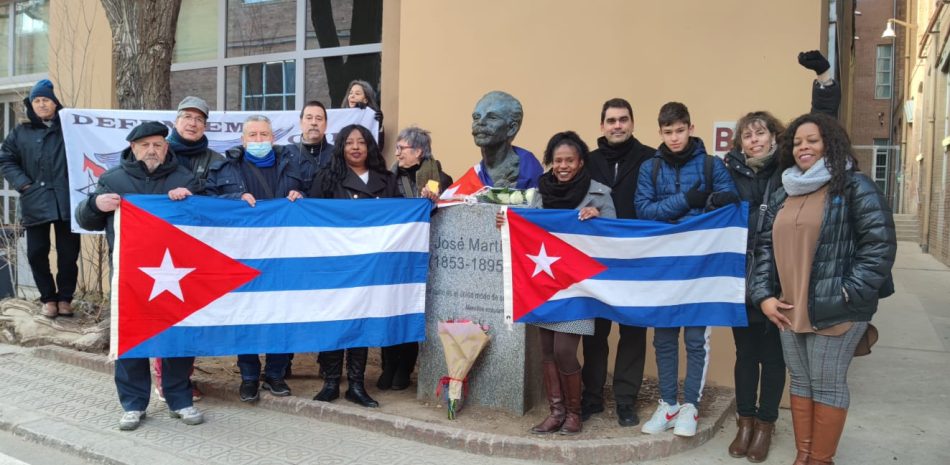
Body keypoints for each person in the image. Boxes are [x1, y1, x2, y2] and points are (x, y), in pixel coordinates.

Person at [749, 113, 896, 465]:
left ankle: (820, 460)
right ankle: (804, 455)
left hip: (838, 308)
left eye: (812, 140)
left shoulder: (855, 186)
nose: (804, 147)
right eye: (798, 142)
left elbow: (879, 246)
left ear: (830, 143)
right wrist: (764, 296)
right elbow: (766, 247)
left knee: (827, 383)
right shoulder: (786, 190)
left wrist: (848, 294)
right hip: (789, 306)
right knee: (800, 382)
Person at [722, 50, 841, 463]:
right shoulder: (728, 172)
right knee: (745, 355)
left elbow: (819, 124)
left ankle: (766, 425)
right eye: (747, 135)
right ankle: (745, 421)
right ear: (740, 143)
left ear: (775, 136)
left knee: (773, 358)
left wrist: (824, 80)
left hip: (780, 279)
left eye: (761, 133)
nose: (754, 140)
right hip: (741, 278)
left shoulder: (787, 170)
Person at [75, 121, 202, 431]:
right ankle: (133, 404)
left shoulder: (185, 178)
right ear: (133, 148)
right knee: (131, 337)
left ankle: (179, 399)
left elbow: (204, 220)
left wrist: (191, 198)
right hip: (130, 277)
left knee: (176, 336)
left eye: (158, 144)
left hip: (177, 275)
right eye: (145, 145)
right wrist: (95, 204)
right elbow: (85, 218)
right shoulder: (113, 179)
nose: (152, 150)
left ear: (167, 147)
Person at [497, 131, 615, 435]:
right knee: (546, 349)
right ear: (551, 162)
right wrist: (509, 222)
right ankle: (556, 411)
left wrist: (599, 216)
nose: (563, 166)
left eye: (570, 160)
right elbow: (527, 229)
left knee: (565, 350)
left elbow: (613, 235)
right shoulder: (540, 191)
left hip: (578, 286)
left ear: (580, 162)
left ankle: (574, 413)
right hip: (545, 285)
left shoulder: (599, 193)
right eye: (558, 160)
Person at [635, 102, 738, 437]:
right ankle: (668, 404)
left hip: (701, 265)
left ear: (690, 128)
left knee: (696, 338)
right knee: (664, 337)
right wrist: (686, 201)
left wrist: (707, 201)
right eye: (668, 132)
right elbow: (644, 211)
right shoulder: (649, 168)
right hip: (665, 265)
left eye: (680, 130)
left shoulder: (711, 165)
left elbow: (729, 200)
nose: (675, 137)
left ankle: (690, 405)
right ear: (660, 133)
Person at [204, 115, 305, 403]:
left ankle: (275, 373)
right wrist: (233, 201)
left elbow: (314, 194)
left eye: (264, 134)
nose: (259, 140)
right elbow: (208, 201)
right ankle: (249, 376)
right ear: (243, 139)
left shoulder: (293, 163)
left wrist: (302, 194)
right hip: (243, 254)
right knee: (246, 313)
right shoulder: (226, 167)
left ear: (273, 138)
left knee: (281, 312)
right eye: (253, 135)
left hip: (284, 253)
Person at [308, 124, 400, 408]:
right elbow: (312, 219)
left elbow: (400, 216)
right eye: (349, 142)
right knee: (335, 319)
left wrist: (427, 204)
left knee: (361, 320)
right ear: (342, 147)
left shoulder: (386, 180)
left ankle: (357, 385)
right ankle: (332, 382)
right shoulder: (326, 178)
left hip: (370, 264)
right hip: (335, 262)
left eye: (361, 142)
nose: (356, 147)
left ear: (370, 147)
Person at [581, 98, 654, 427]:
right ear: (602, 126)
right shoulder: (589, 161)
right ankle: (592, 396)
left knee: (633, 331)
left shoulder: (650, 158)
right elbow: (573, 198)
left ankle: (626, 400)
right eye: (611, 120)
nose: (617, 126)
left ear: (633, 123)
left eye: (623, 119)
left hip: (637, 258)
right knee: (595, 331)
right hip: (596, 258)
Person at [153, 95, 224, 404]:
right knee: (164, 313)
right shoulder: (159, 153)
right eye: (188, 117)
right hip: (160, 245)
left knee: (191, 312)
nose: (193, 123)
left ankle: (182, 376)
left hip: (198, 245)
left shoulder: (215, 159)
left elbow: (221, 192)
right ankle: (161, 378)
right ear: (176, 121)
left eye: (199, 119)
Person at [376, 126, 452, 392]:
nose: (396, 154)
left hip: (419, 258)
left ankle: (404, 369)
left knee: (409, 310)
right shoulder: (388, 179)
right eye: (396, 149)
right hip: (392, 257)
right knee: (390, 311)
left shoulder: (440, 178)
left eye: (402, 149)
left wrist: (434, 200)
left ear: (418, 151)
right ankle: (388, 365)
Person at [0, 79, 80, 319]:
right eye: (37, 100)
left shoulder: (70, 127)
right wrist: (23, 184)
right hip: (35, 200)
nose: (42, 104)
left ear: (55, 103)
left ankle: (65, 299)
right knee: (37, 252)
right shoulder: (21, 132)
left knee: (68, 253)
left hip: (67, 200)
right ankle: (48, 298)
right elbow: (5, 159)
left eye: (46, 99)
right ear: (31, 104)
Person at [470, 91, 544, 189]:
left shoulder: (527, 167)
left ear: (511, 128)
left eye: (492, 117)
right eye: (476, 117)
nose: (480, 122)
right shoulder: (476, 173)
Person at [285, 100, 335, 187]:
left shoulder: (336, 154)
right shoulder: (286, 153)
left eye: (319, 119)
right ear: (301, 122)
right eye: (309, 118)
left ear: (326, 124)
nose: (314, 123)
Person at [342, 80, 385, 149]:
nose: (352, 96)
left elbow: (378, 147)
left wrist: (378, 126)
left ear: (365, 100)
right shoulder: (341, 117)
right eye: (350, 93)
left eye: (357, 94)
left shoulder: (372, 117)